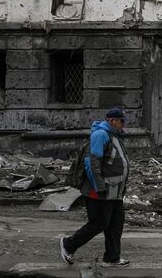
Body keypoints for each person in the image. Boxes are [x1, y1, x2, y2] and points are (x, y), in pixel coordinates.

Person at [59, 107, 130, 267]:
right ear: (112, 120)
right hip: (99, 191)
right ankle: (68, 245)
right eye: (121, 121)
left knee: (116, 224)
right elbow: (91, 162)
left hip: (114, 191)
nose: (123, 124)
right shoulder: (100, 135)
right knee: (99, 223)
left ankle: (112, 258)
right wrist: (99, 186)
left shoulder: (114, 136)